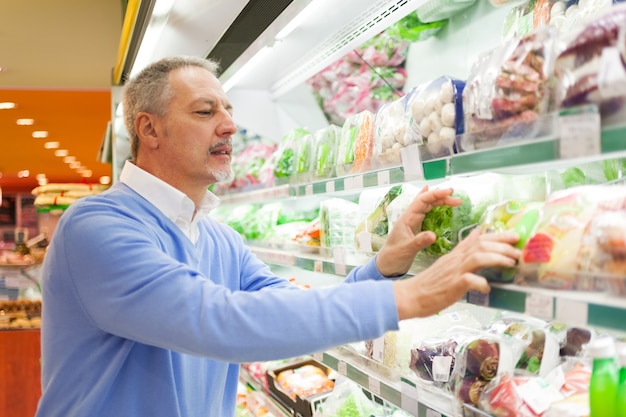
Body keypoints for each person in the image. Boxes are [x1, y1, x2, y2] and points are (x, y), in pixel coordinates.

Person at [35, 56, 521, 417]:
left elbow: (286, 311)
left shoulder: (218, 239)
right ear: (150, 129)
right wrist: (410, 295)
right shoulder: (98, 228)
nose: (229, 125)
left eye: (228, 109)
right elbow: (221, 322)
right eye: (206, 112)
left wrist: (383, 268)